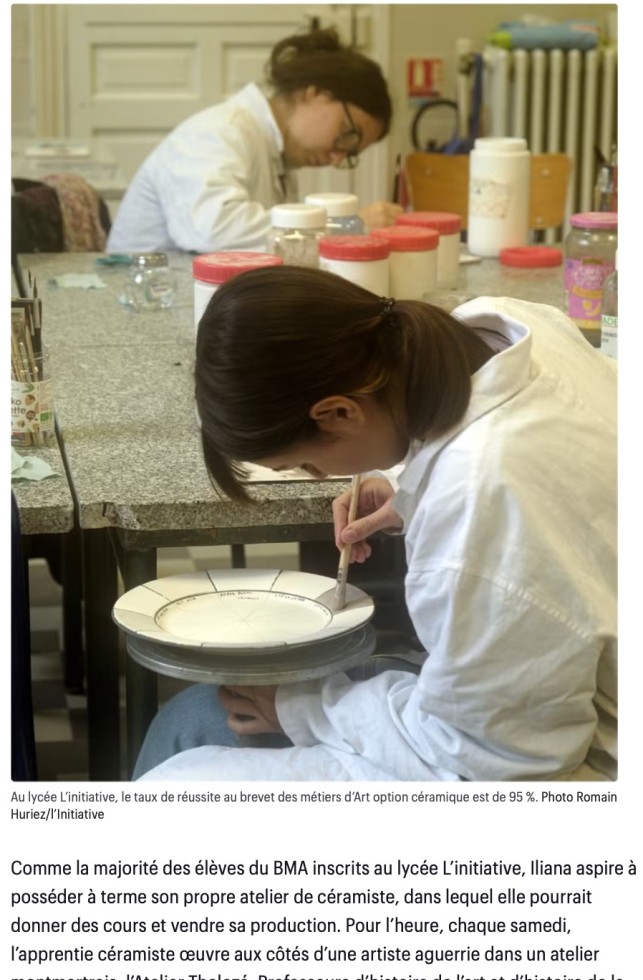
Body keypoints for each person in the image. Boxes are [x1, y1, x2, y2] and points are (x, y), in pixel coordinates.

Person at [134, 266, 617, 783]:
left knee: (181, 770)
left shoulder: (480, 497)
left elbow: (492, 759)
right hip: (532, 697)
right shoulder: (500, 328)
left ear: (341, 412)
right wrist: (411, 486)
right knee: (190, 718)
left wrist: (304, 708)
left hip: (567, 765)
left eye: (307, 465)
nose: (321, 477)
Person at [107, 27, 401, 254]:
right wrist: (343, 227)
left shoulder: (274, 154)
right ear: (316, 93)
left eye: (351, 154)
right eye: (349, 134)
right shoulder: (219, 132)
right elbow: (213, 230)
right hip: (139, 302)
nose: (337, 159)